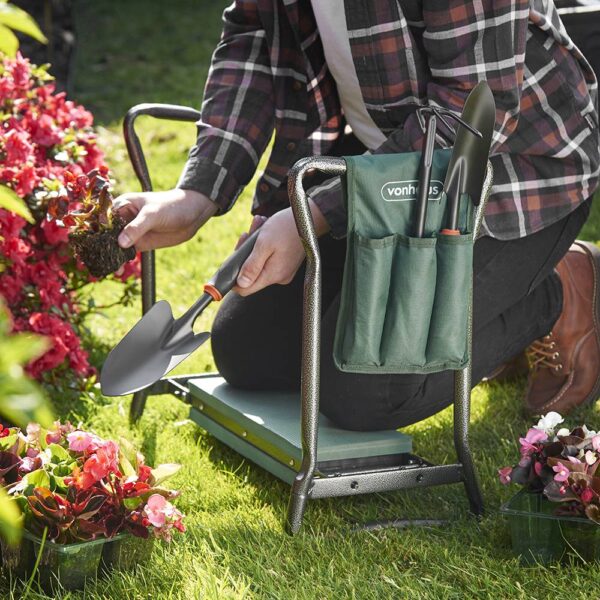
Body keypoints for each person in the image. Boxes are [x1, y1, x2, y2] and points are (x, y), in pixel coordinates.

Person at [114, 0, 600, 431]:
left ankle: (559, 287)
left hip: (509, 177)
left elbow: (471, 114)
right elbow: (256, 37)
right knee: (248, 351)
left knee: (367, 394)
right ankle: (487, 300)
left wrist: (315, 212)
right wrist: (198, 193)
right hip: (380, 159)